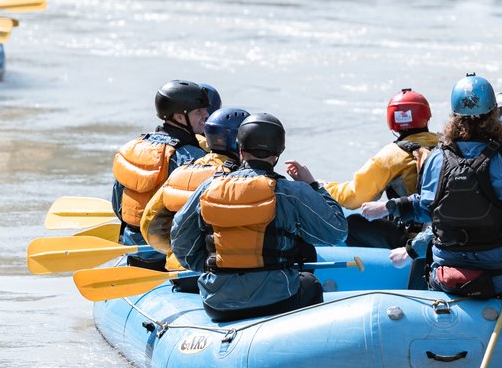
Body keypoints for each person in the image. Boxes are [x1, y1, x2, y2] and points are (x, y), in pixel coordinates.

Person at [357, 74, 502, 300]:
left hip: (445, 278)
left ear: (454, 117)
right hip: (500, 280)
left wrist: (389, 207)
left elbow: (425, 208)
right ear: (493, 116)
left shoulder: (435, 158)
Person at [171, 113, 347, 321]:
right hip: (278, 301)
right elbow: (337, 232)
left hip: (218, 304)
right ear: (278, 154)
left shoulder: (208, 188)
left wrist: (212, 267)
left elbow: (180, 241)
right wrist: (313, 186)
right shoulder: (291, 192)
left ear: (240, 149)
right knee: (311, 283)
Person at [111, 80, 217, 269]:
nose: (206, 116)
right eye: (198, 112)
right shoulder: (192, 158)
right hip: (166, 257)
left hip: (134, 249)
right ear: (178, 117)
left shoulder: (134, 148)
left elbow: (118, 203)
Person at [323, 89, 441, 249]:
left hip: (414, 239)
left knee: (352, 223)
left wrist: (323, 188)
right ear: (426, 116)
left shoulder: (393, 154)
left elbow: (353, 197)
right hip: (442, 231)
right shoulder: (445, 145)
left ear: (392, 121)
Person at [139, 106, 248, 258]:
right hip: (215, 271)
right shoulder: (240, 179)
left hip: (178, 267)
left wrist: (176, 254)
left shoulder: (184, 170)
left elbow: (149, 225)